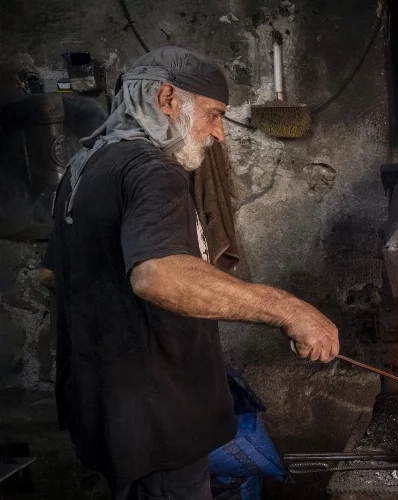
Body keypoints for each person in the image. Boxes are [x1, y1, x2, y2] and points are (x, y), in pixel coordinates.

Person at [38, 46, 339, 500]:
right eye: (215, 115)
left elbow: (54, 277)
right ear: (167, 99)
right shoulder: (151, 168)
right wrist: (289, 310)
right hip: (160, 419)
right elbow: (158, 275)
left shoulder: (83, 168)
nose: (219, 134)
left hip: (106, 412)